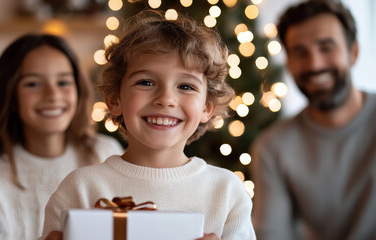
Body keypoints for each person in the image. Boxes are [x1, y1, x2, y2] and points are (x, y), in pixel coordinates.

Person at [39, 10, 255, 240]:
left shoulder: (226, 191)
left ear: (207, 107)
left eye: (185, 86)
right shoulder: (81, 188)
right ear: (115, 100)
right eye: (146, 82)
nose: (165, 99)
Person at [0, 33, 123, 240]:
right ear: (11, 96)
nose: (52, 94)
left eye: (63, 82)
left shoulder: (106, 151)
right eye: (33, 84)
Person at [250, 0, 376, 239]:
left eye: (326, 47)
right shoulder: (272, 147)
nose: (314, 64)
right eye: (300, 52)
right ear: (288, 63)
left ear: (354, 52)